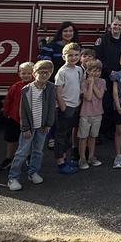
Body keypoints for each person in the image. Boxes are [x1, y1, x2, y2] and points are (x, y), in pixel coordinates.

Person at [7, 60, 57, 191]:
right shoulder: (26, 89)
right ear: (34, 74)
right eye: (41, 72)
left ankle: (33, 172)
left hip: (42, 126)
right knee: (22, 152)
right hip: (29, 127)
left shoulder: (51, 88)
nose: (44, 75)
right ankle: (13, 177)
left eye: (47, 72)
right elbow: (22, 110)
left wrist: (48, 124)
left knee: (38, 151)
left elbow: (52, 107)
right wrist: (25, 128)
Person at [95, 16, 121, 138]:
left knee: (119, 103)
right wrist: (109, 71)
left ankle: (115, 130)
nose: (117, 27)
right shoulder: (102, 40)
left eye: (119, 25)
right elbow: (98, 58)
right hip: (106, 77)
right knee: (106, 104)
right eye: (115, 24)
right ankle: (103, 131)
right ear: (110, 25)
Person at [0, 61, 34, 173]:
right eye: (23, 73)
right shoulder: (15, 87)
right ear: (19, 74)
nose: (26, 75)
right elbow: (8, 100)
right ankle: (9, 158)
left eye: (29, 73)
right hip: (14, 117)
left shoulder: (36, 87)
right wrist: (6, 113)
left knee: (29, 140)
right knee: (11, 139)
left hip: (29, 120)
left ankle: (29, 157)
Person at [54, 42, 84, 175]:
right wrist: (63, 107)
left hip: (75, 105)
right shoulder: (62, 72)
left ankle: (66, 158)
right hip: (66, 107)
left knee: (68, 135)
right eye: (70, 55)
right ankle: (60, 162)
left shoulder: (79, 70)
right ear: (63, 56)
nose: (73, 58)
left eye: (76, 55)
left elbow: (79, 85)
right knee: (61, 135)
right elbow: (58, 92)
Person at [78, 59, 106, 169]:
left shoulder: (102, 82)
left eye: (98, 71)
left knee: (93, 136)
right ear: (88, 71)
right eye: (93, 71)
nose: (96, 73)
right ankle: (82, 158)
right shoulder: (83, 83)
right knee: (83, 137)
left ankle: (91, 156)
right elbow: (88, 97)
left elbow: (100, 95)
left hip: (97, 113)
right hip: (85, 114)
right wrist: (90, 84)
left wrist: (93, 83)